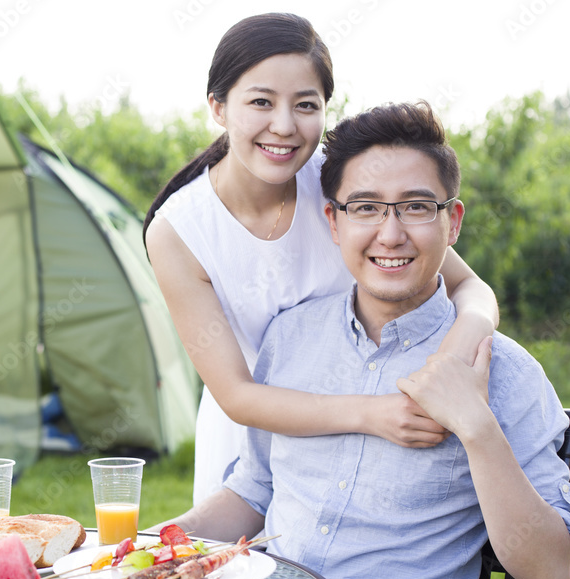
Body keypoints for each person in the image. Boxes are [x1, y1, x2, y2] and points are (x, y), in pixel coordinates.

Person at [161, 101, 570, 579]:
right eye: (366, 208)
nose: (390, 234)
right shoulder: (289, 340)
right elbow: (254, 493)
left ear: (452, 221)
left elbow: (547, 576)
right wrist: (151, 542)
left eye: (416, 207)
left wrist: (476, 426)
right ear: (333, 221)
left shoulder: (504, 371)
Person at [143, 13, 500, 504]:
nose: (285, 126)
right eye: (261, 102)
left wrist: (456, 352)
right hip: (257, 442)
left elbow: (472, 289)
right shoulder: (177, 231)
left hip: (390, 420)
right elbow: (238, 395)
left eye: (306, 105)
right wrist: (371, 413)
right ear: (218, 107)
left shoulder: (342, 187)